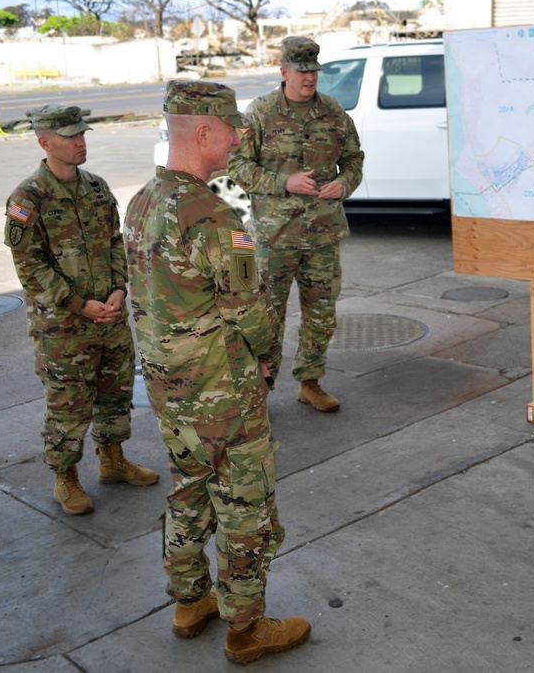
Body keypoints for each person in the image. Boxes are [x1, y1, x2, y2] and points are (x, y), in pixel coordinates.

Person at [123, 80, 310, 664]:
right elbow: (249, 310)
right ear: (203, 133)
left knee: (188, 490)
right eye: (231, 131)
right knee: (245, 505)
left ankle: (188, 602)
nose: (237, 141)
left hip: (166, 386)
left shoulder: (143, 200)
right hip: (221, 391)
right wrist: (266, 360)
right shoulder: (212, 211)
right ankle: (246, 628)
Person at [4, 103, 159, 517]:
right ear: (44, 142)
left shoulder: (96, 188)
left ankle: (113, 460)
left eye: (82, 134)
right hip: (64, 327)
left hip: (108, 316)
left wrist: (119, 290)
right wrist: (78, 305)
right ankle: (66, 478)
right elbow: (29, 264)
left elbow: (114, 242)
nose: (80, 142)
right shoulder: (26, 198)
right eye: (71, 136)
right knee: (68, 403)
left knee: (115, 393)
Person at [228, 35, 364, 413]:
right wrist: (281, 182)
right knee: (266, 318)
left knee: (321, 315)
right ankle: (260, 391)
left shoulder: (333, 113)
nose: (309, 78)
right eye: (301, 71)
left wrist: (344, 184)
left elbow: (354, 159)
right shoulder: (259, 113)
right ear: (284, 70)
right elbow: (236, 165)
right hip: (275, 237)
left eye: (314, 71)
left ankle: (310, 382)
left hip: (322, 235)